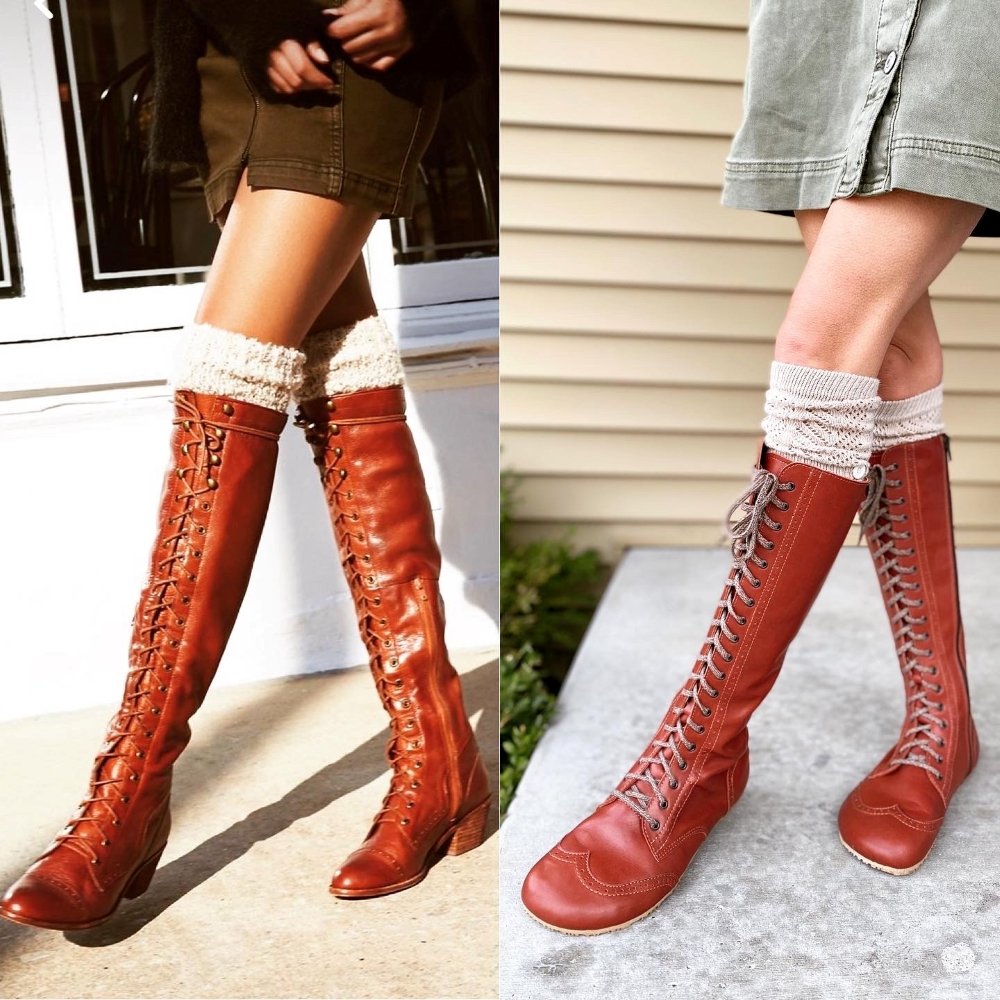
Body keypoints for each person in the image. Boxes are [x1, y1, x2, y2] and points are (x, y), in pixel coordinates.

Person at [0, 0, 489, 931]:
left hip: (347, 55)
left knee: (228, 376)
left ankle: (128, 796)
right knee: (335, 368)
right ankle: (440, 758)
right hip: (242, 57)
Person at [520, 4, 988, 934]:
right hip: (833, 18)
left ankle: (697, 757)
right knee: (888, 348)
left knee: (824, 345)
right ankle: (948, 719)